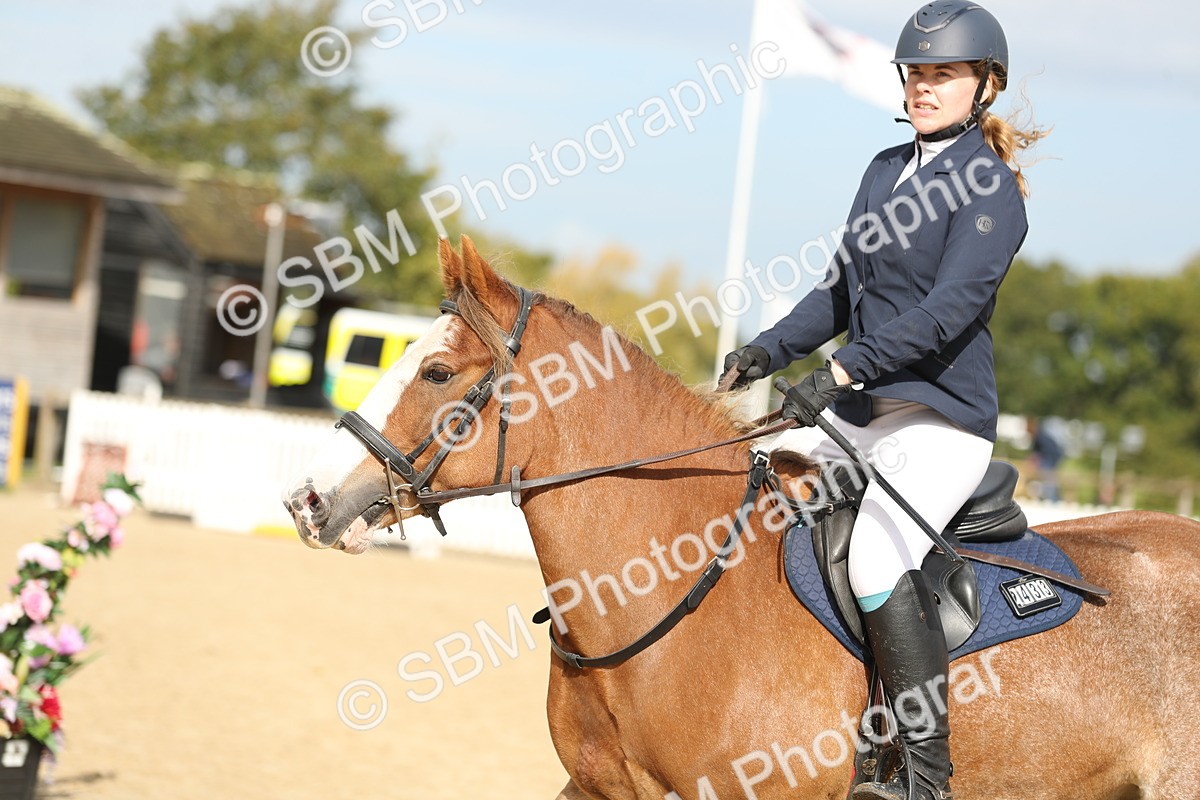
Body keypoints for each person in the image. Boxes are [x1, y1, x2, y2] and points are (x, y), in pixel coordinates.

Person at [723, 2, 1045, 798]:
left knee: (874, 555)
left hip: (939, 420)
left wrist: (839, 372)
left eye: (943, 74)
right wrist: (769, 349)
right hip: (863, 411)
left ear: (985, 85)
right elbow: (840, 290)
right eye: (916, 74)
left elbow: (947, 312)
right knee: (748, 487)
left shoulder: (990, 188)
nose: (924, 87)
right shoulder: (882, 169)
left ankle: (923, 777)